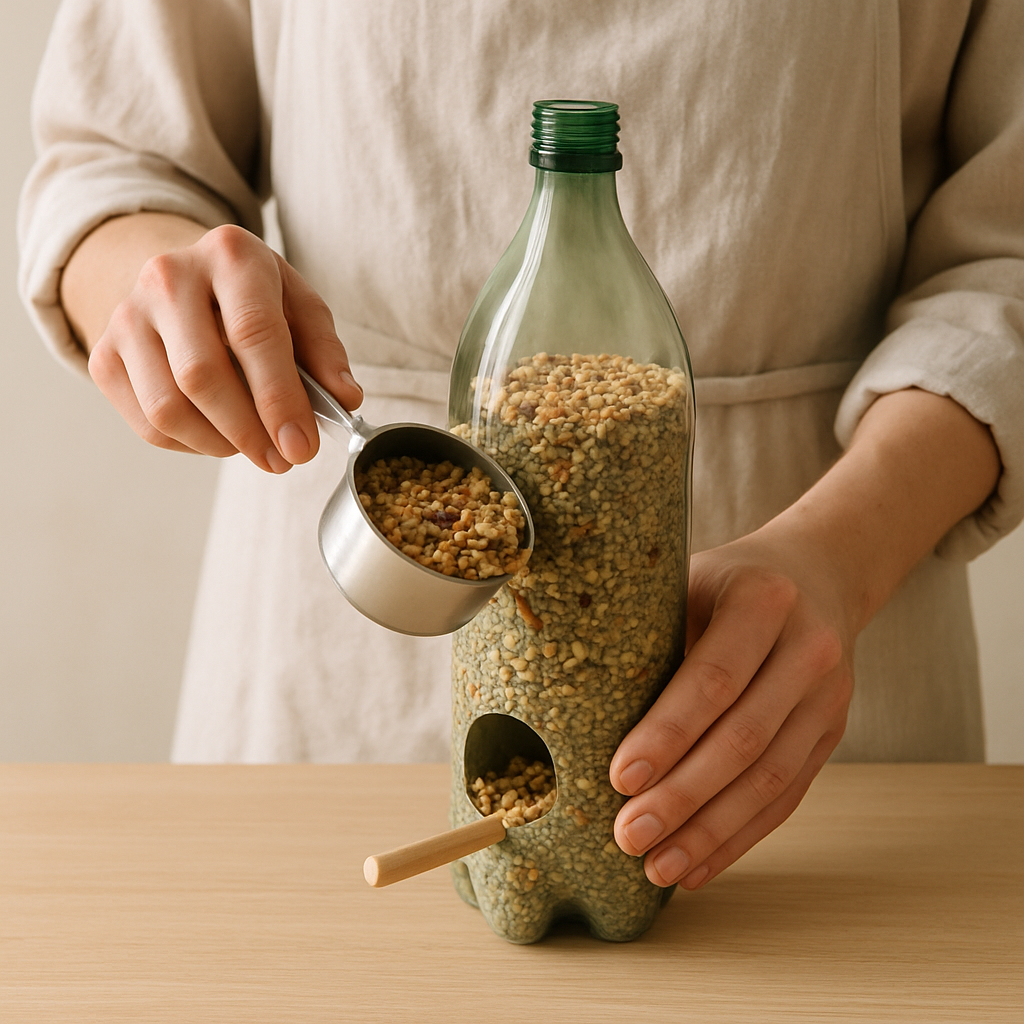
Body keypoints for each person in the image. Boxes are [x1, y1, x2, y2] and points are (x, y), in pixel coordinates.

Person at [18, 0, 1023, 893]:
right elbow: (115, 155)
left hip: (799, 661)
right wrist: (158, 289)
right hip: (326, 703)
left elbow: (1005, 258)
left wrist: (838, 560)